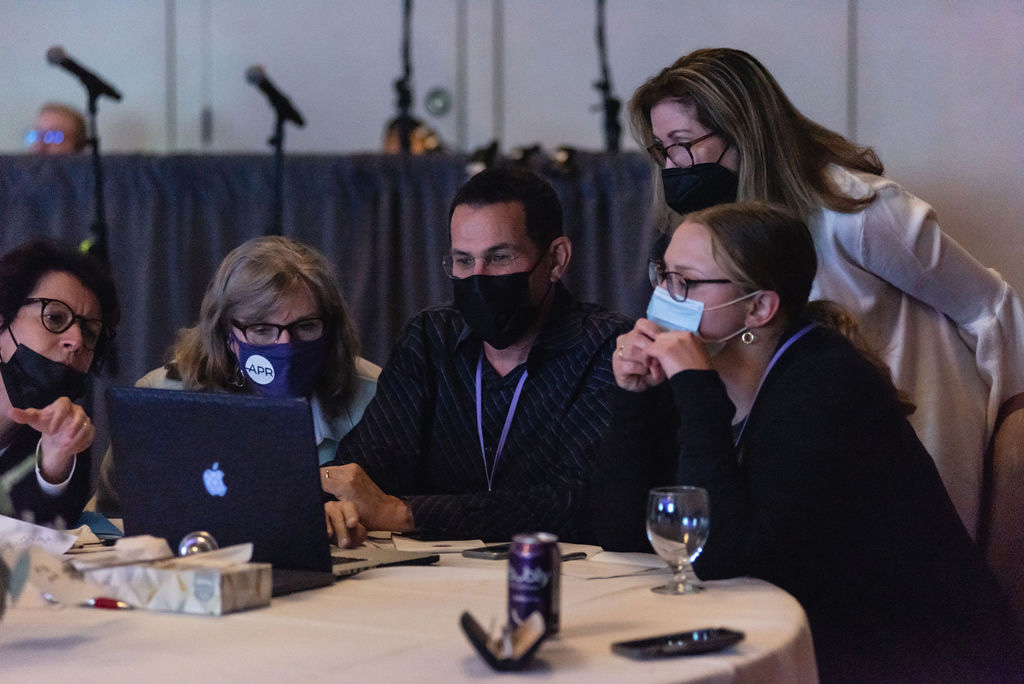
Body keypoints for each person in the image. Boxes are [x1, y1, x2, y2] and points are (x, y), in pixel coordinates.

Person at [594, 202, 1022, 682]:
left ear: (759, 308)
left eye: (686, 282)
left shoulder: (826, 383)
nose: (664, 296)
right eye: (663, 275)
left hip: (912, 656)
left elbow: (725, 557)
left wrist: (695, 392)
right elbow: (622, 535)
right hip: (807, 632)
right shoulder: (697, 374)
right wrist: (633, 399)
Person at [628, 47, 1024, 539]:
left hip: (903, 429)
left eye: (684, 143)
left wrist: (1011, 432)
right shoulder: (705, 232)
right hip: (783, 438)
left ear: (743, 132)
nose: (673, 164)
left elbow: (990, 306)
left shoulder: (858, 211)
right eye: (663, 149)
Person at [320, 166, 632, 541]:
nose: (478, 278)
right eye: (464, 261)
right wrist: (339, 504)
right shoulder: (430, 338)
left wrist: (403, 513)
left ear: (556, 259)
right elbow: (371, 464)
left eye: (500, 257)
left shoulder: (606, 347)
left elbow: (578, 502)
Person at [93, 236, 378, 547]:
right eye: (261, 330)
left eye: (306, 326)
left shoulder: (375, 397)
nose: (286, 347)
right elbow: (111, 514)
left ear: (331, 327)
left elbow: (397, 511)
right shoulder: (161, 397)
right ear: (226, 334)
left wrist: (352, 519)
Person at [0, 240, 119, 526]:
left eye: (89, 333)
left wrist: (54, 462)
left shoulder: (71, 431)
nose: (76, 341)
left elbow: (42, 539)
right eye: (55, 318)